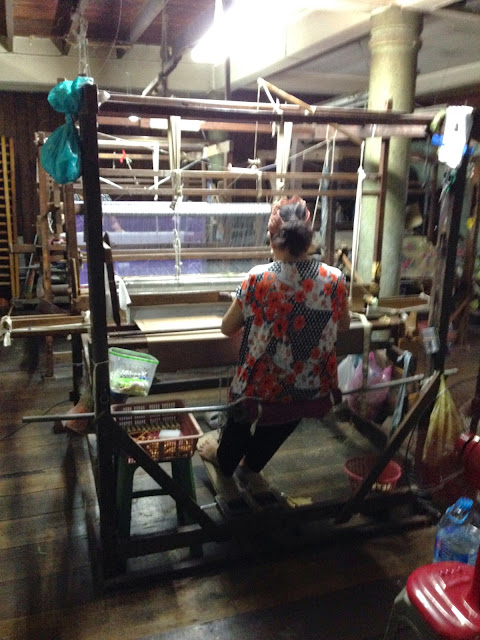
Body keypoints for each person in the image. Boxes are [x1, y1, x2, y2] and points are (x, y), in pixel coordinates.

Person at [198, 195, 350, 477]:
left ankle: (224, 459)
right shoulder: (335, 279)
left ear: (272, 237)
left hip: (260, 390)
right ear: (308, 237)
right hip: (311, 388)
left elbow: (227, 328)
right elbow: (343, 326)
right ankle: (252, 463)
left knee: (244, 410)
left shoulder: (258, 278)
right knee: (283, 415)